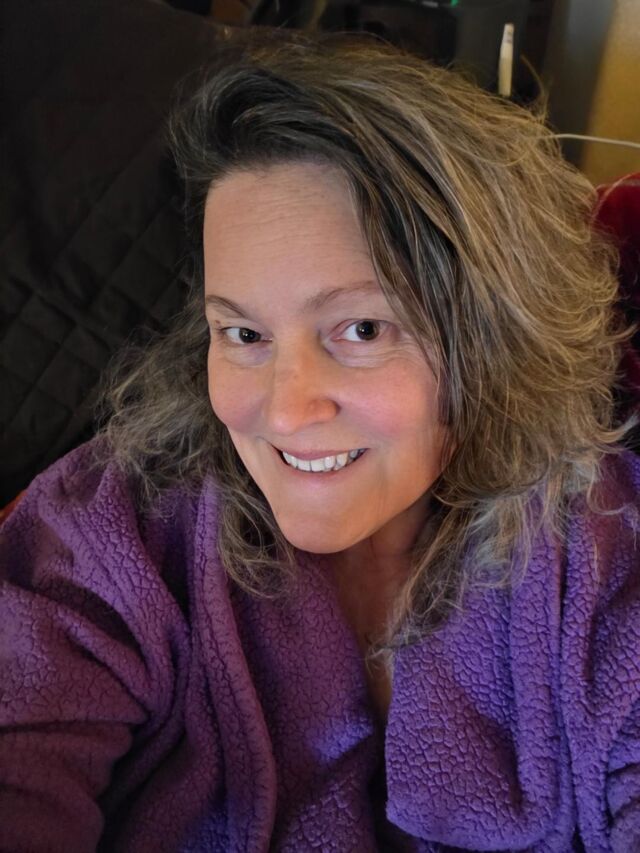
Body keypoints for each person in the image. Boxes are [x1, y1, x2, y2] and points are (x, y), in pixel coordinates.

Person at [1, 32, 639, 853]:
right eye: (244, 333)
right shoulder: (110, 533)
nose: (284, 408)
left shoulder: (602, 548)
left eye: (361, 328)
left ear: (493, 337)